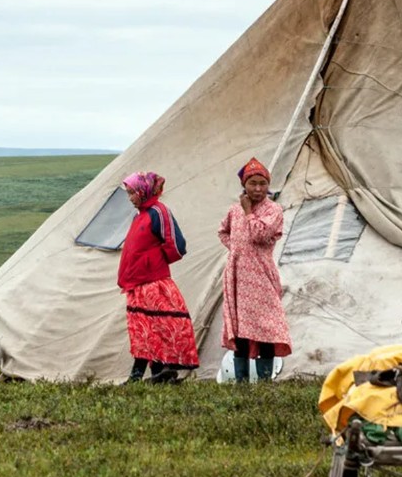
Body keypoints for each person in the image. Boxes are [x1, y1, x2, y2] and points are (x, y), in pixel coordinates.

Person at [117, 171, 200, 383]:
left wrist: (153, 261)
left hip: (154, 282)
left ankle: (157, 373)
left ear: (142, 191)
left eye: (132, 193)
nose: (130, 198)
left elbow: (176, 245)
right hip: (137, 284)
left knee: (159, 327)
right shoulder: (140, 215)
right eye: (128, 194)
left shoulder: (158, 212)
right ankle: (149, 376)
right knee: (143, 330)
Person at [218, 157, 292, 382]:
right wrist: (238, 250)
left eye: (263, 184)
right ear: (244, 185)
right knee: (239, 328)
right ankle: (241, 383)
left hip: (261, 276)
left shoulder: (273, 210)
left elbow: (259, 234)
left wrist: (249, 211)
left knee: (266, 328)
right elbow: (223, 231)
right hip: (237, 275)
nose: (258, 188)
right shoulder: (234, 210)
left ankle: (264, 381)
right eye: (253, 184)